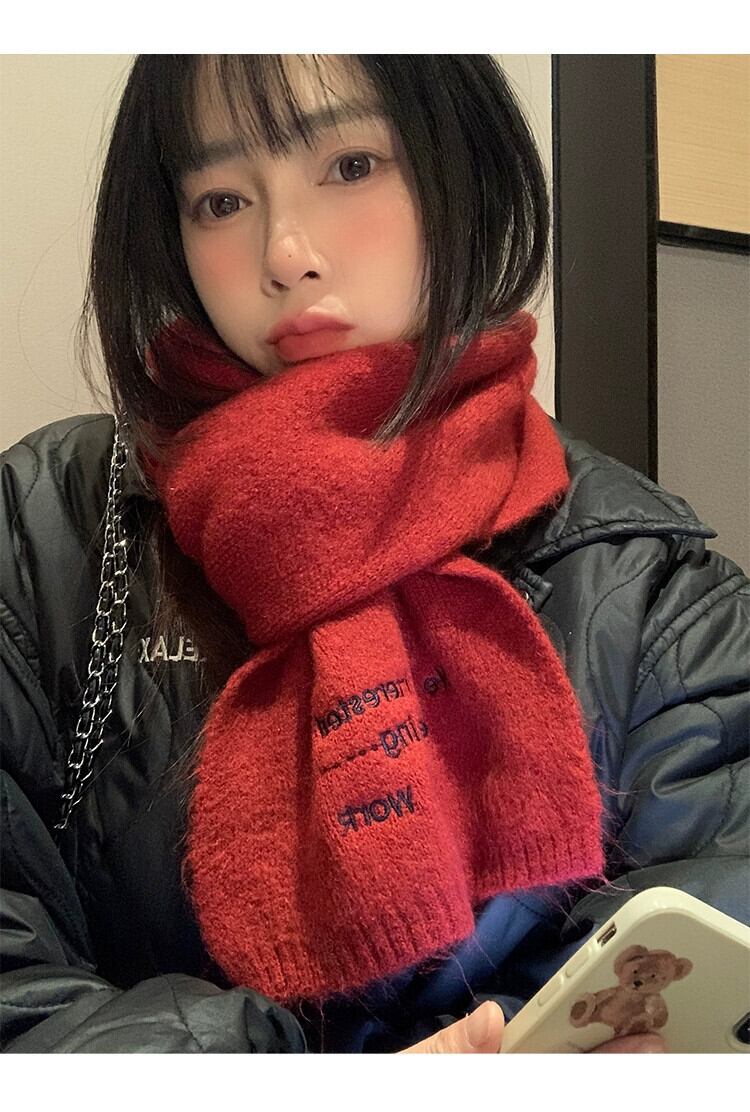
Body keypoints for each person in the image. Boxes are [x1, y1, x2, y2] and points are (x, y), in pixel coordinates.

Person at [1, 54, 747, 1056]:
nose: (287, 254)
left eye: (351, 166)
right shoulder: (49, 528)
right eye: (221, 200)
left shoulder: (646, 584)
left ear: (461, 171)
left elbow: (704, 924)